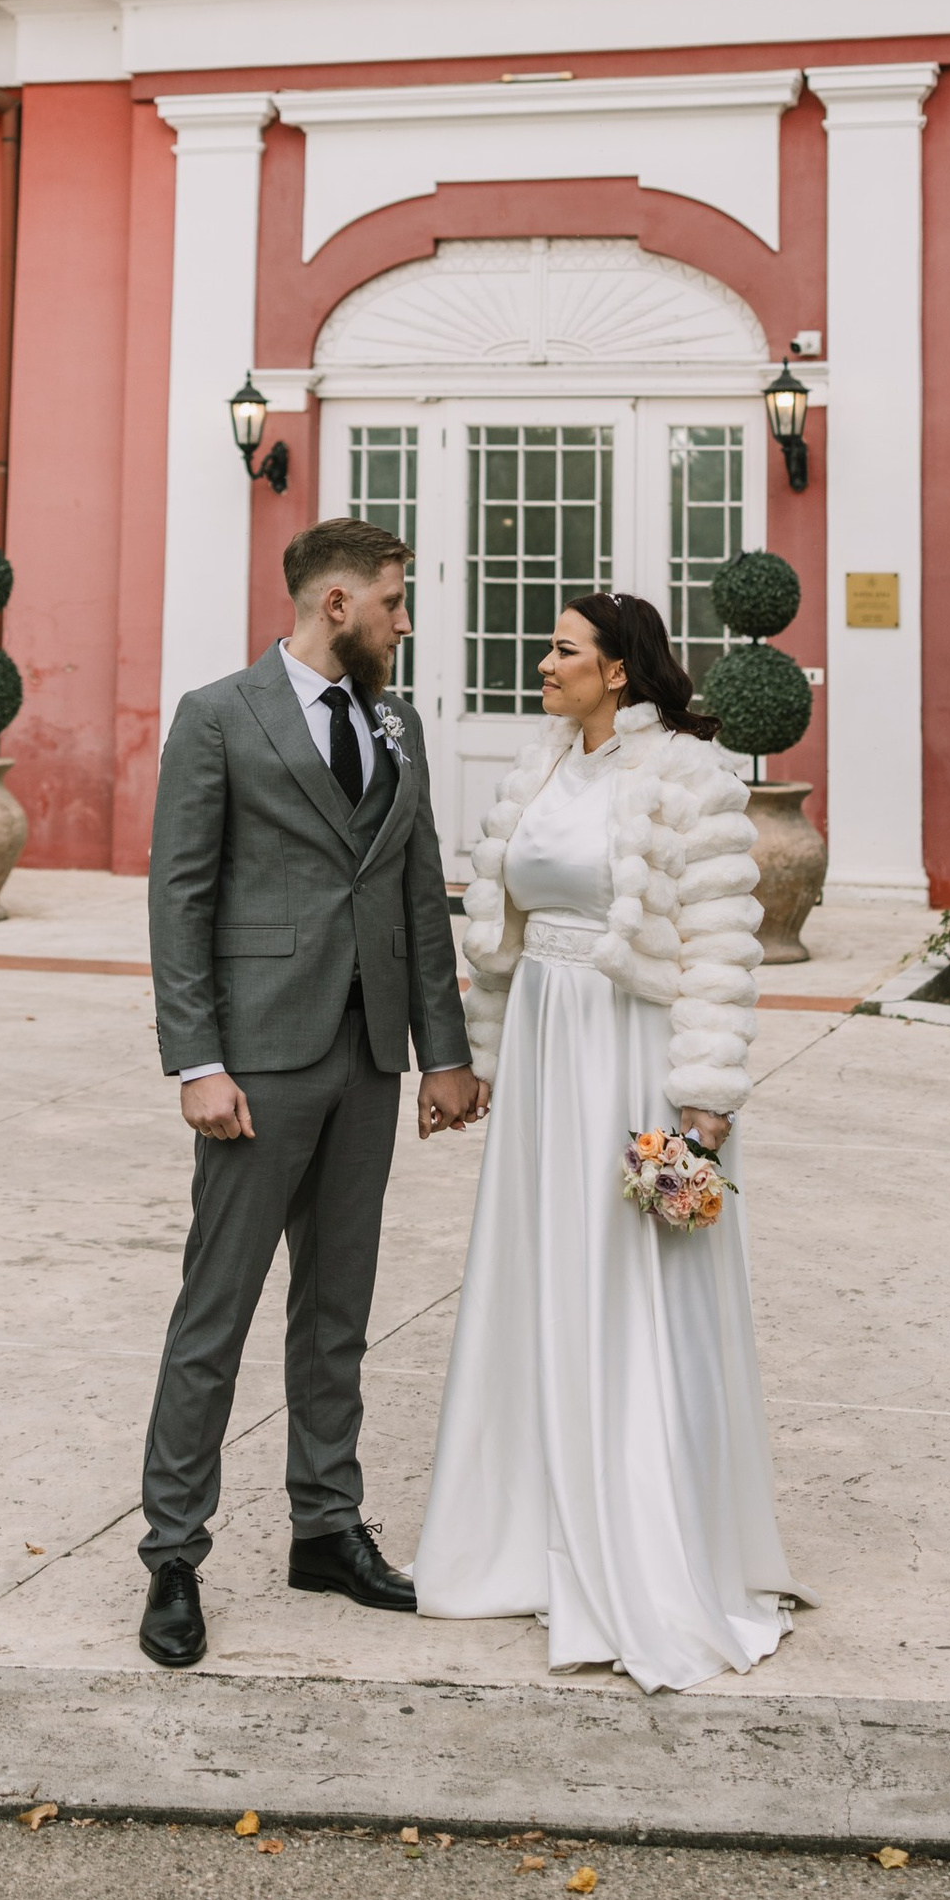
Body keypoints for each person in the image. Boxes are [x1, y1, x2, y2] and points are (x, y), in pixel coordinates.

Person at [412, 590, 803, 1693]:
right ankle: (523, 1524)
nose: (543, 663)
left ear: (619, 669)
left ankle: (646, 1531)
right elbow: (501, 937)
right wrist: (481, 1058)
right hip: (544, 1046)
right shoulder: (538, 764)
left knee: (630, 1279)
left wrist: (705, 1095)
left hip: (631, 1049)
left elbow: (725, 946)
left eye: (564, 649)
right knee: (540, 1272)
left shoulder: (687, 776)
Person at [137, 516, 485, 1670]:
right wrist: (196, 1062)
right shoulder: (216, 716)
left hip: (366, 1057)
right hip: (256, 1065)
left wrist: (443, 1050)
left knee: (338, 1312)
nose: (403, 619)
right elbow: (179, 898)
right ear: (335, 603)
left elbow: (413, 891)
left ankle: (326, 1526)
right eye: (393, 599)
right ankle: (173, 1554)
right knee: (215, 1317)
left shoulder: (397, 719)